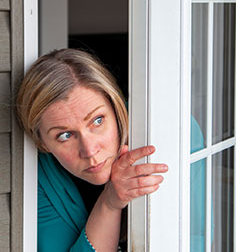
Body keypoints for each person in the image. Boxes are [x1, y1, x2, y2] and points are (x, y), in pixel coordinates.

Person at [16, 48, 168, 252]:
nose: (89, 151)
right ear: (42, 143)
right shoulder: (37, 183)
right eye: (65, 135)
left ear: (116, 108)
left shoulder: (167, 135)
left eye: (97, 121)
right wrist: (110, 202)